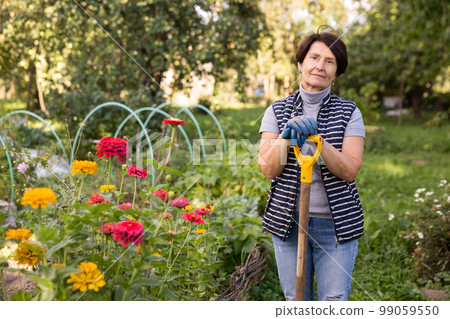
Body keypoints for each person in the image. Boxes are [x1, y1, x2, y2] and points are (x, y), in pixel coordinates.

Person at [258, 27, 365, 301]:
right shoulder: (277, 111)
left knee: (333, 302)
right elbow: (269, 168)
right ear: (300, 63)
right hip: (288, 221)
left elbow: (349, 170)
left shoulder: (349, 112)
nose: (320, 66)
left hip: (335, 225)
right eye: (314, 58)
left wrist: (319, 143)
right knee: (296, 301)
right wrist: (286, 136)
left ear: (337, 71)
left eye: (330, 61)